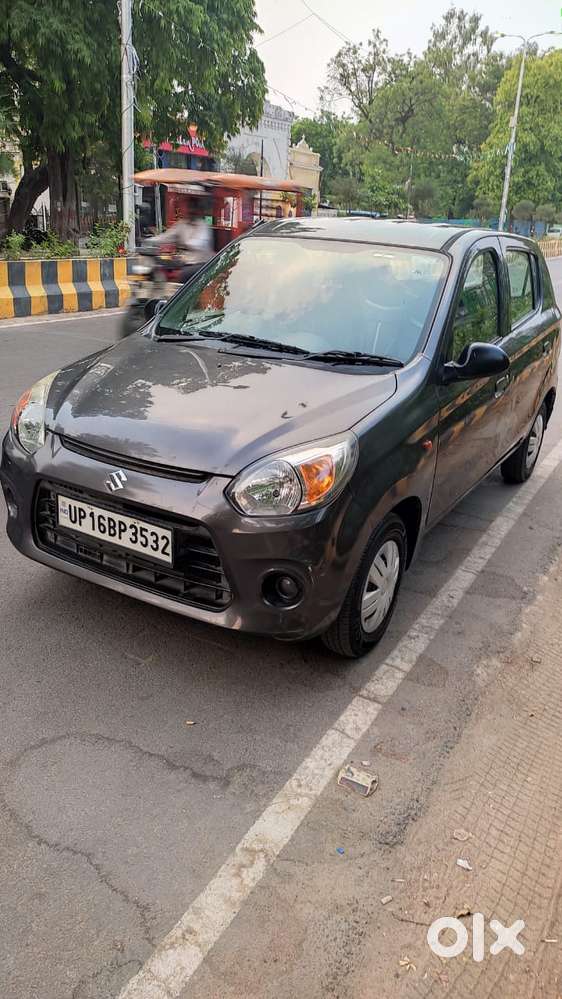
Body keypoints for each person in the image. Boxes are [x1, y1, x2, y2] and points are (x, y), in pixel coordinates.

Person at [147, 193, 214, 282]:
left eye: (193, 208)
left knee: (183, 274)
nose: (190, 210)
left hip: (200, 265)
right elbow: (167, 236)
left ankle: (179, 293)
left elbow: (198, 243)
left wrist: (183, 243)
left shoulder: (203, 226)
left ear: (198, 210)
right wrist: (148, 241)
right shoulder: (181, 224)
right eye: (189, 207)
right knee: (157, 266)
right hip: (184, 262)